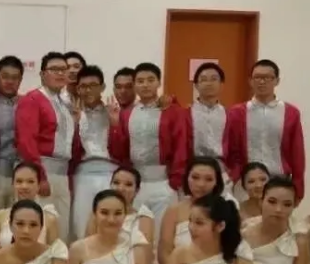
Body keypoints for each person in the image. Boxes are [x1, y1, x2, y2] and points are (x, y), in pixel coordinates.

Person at [108, 62, 188, 244]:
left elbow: (181, 146)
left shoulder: (172, 110)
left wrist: (175, 181)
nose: (145, 85)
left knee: (162, 237)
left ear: (159, 82)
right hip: (135, 185)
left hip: (163, 182)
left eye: (151, 80)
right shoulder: (126, 114)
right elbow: (119, 152)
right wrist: (115, 126)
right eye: (140, 81)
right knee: (133, 236)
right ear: (135, 85)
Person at [15, 52, 77, 242]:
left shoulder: (64, 103)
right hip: (42, 171)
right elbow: (26, 141)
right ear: (42, 74)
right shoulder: (32, 99)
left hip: (62, 174)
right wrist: (39, 176)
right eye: (54, 69)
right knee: (38, 233)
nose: (60, 73)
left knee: (61, 233)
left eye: (63, 70)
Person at [226, 59, 306, 201]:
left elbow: (297, 152)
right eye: (257, 77)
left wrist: (298, 187)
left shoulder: (290, 112)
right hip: (246, 184)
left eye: (267, 77)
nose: (262, 82)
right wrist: (232, 178)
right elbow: (232, 150)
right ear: (250, 81)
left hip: (279, 181)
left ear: (277, 81)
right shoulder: (237, 113)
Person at [71, 65, 118, 240]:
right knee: (80, 224)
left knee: (109, 224)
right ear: (78, 89)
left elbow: (123, 145)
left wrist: (115, 123)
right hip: (82, 174)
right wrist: (75, 124)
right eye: (83, 86)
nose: (88, 90)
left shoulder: (113, 111)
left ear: (102, 87)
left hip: (111, 173)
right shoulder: (73, 113)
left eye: (93, 85)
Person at [159, 157, 227, 264]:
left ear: (217, 182)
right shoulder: (174, 211)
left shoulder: (227, 209)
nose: (201, 184)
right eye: (195, 177)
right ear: (187, 178)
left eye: (209, 179)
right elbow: (164, 253)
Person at [0, 162, 60, 260]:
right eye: (19, 181)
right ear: (13, 185)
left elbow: (55, 257)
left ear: (38, 185)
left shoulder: (49, 219)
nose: (24, 186)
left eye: (30, 182)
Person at [186, 63, 231, 186]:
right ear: (196, 85)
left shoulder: (229, 114)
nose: (209, 83)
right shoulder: (185, 113)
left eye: (214, 79)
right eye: (203, 79)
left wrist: (232, 174)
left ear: (221, 84)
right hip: (193, 170)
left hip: (221, 172)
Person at [0, 55, 23, 211]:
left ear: (21, 80)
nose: (10, 81)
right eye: (5, 77)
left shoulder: (27, 103)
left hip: (21, 175)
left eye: (15, 78)